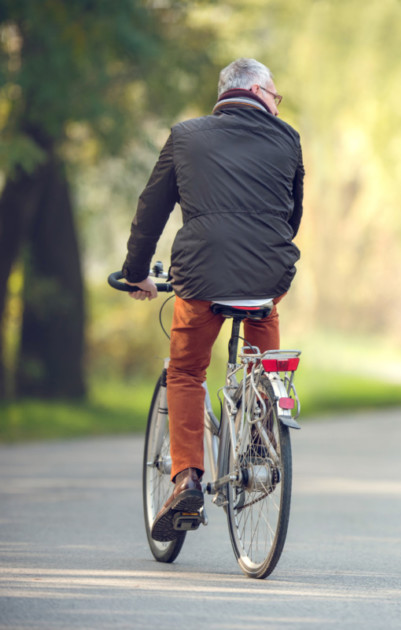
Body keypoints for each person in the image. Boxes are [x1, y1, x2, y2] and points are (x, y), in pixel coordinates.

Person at [121, 58, 304, 541]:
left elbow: (150, 212)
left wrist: (137, 273)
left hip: (200, 279)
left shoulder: (185, 136)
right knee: (267, 362)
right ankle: (262, 434)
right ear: (260, 91)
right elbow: (293, 216)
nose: (276, 103)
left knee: (185, 372)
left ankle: (186, 480)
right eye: (276, 96)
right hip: (267, 278)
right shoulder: (287, 139)